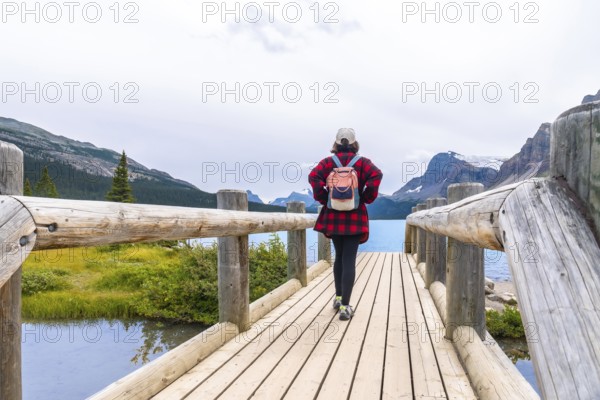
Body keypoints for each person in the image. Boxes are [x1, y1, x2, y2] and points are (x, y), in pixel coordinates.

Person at [308, 128, 383, 320]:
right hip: (355, 216)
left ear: (336, 143)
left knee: (339, 257)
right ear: (354, 143)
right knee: (349, 258)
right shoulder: (363, 163)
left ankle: (338, 298)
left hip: (333, 216)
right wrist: (365, 197)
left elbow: (313, 177)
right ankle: (345, 307)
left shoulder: (327, 163)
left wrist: (325, 199)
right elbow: (377, 175)